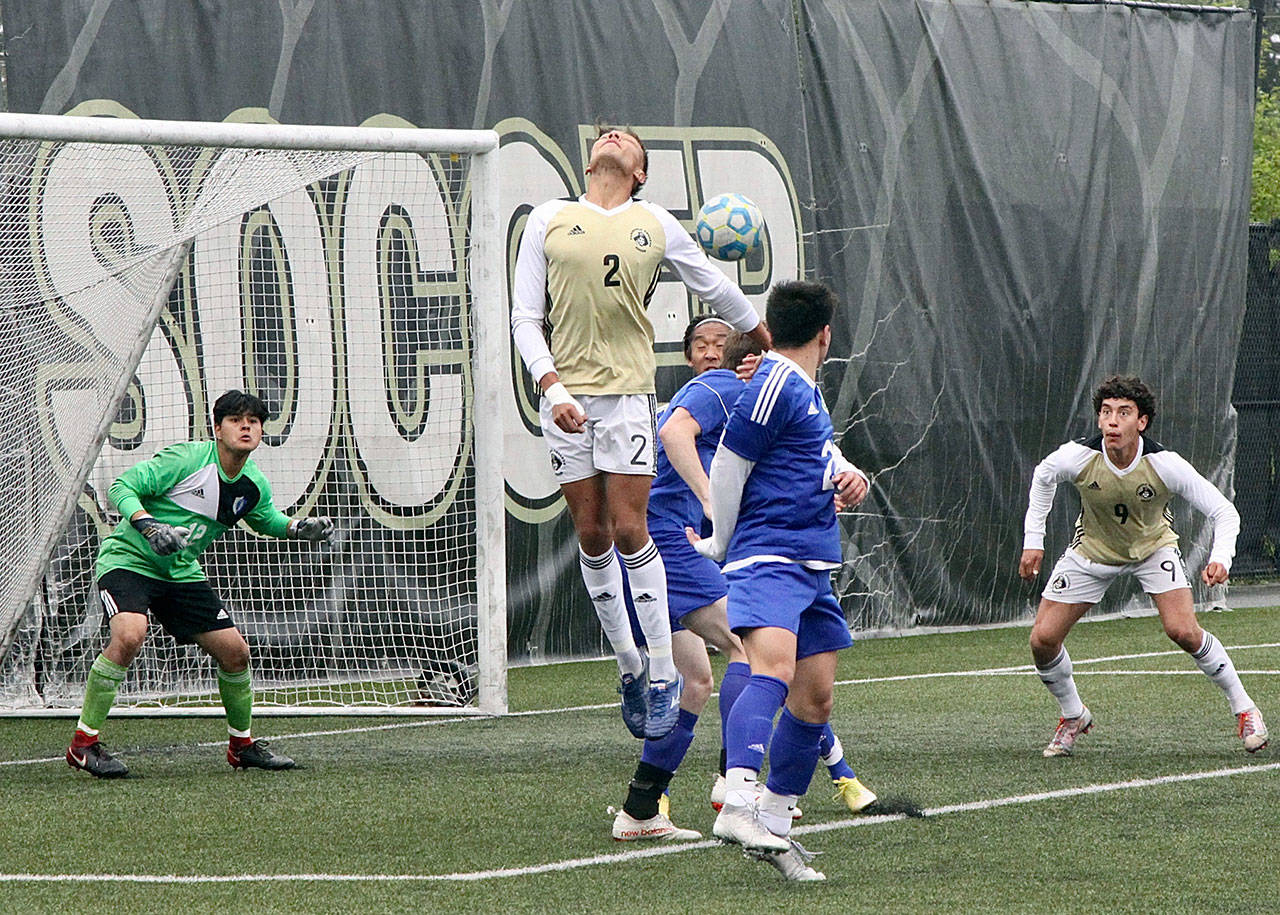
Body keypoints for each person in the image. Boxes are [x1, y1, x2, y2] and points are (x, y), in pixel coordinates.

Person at [510, 122, 771, 740]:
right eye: (607, 134)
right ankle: (629, 664)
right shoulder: (548, 216)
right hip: (564, 395)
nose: (613, 136)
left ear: (640, 170)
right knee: (591, 532)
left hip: (627, 394)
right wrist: (552, 387)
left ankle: (661, 671)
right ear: (593, 158)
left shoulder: (654, 220)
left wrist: (757, 330)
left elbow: (711, 283)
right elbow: (526, 316)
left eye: (625, 137)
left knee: (631, 528)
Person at [611, 319, 876, 847]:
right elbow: (673, 432)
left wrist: (843, 477)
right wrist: (713, 505)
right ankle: (737, 787)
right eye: (699, 345)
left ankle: (641, 808)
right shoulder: (724, 385)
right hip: (668, 538)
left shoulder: (766, 393)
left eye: (718, 343)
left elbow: (805, 456)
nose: (711, 352)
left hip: (663, 541)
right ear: (688, 357)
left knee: (698, 681)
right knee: (750, 646)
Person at [691, 281, 870, 882]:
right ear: (825, 335)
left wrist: (849, 475)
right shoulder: (775, 381)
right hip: (769, 555)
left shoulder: (800, 390)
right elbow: (728, 462)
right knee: (772, 670)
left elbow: (811, 455)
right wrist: (720, 543)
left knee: (815, 699)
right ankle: (737, 799)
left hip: (812, 561)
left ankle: (776, 824)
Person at [65, 390, 335, 778]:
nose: (246, 426)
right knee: (129, 634)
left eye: (254, 421)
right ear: (217, 429)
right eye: (236, 420)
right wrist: (148, 525)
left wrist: (297, 528)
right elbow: (122, 487)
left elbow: (264, 520)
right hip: (129, 560)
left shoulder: (252, 483)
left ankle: (241, 746)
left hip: (180, 572)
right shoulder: (187, 459)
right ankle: (83, 745)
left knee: (235, 653)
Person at [1019, 374, 1267, 757]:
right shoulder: (1079, 456)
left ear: (1142, 421)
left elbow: (1224, 511)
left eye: (1123, 412)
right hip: (1091, 553)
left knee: (1183, 631)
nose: (1112, 421)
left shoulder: (1165, 465)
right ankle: (1073, 716)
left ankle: (1246, 709)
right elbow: (1043, 476)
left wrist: (1221, 557)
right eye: (1105, 412)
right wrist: (1034, 542)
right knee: (1042, 641)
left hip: (1154, 551)